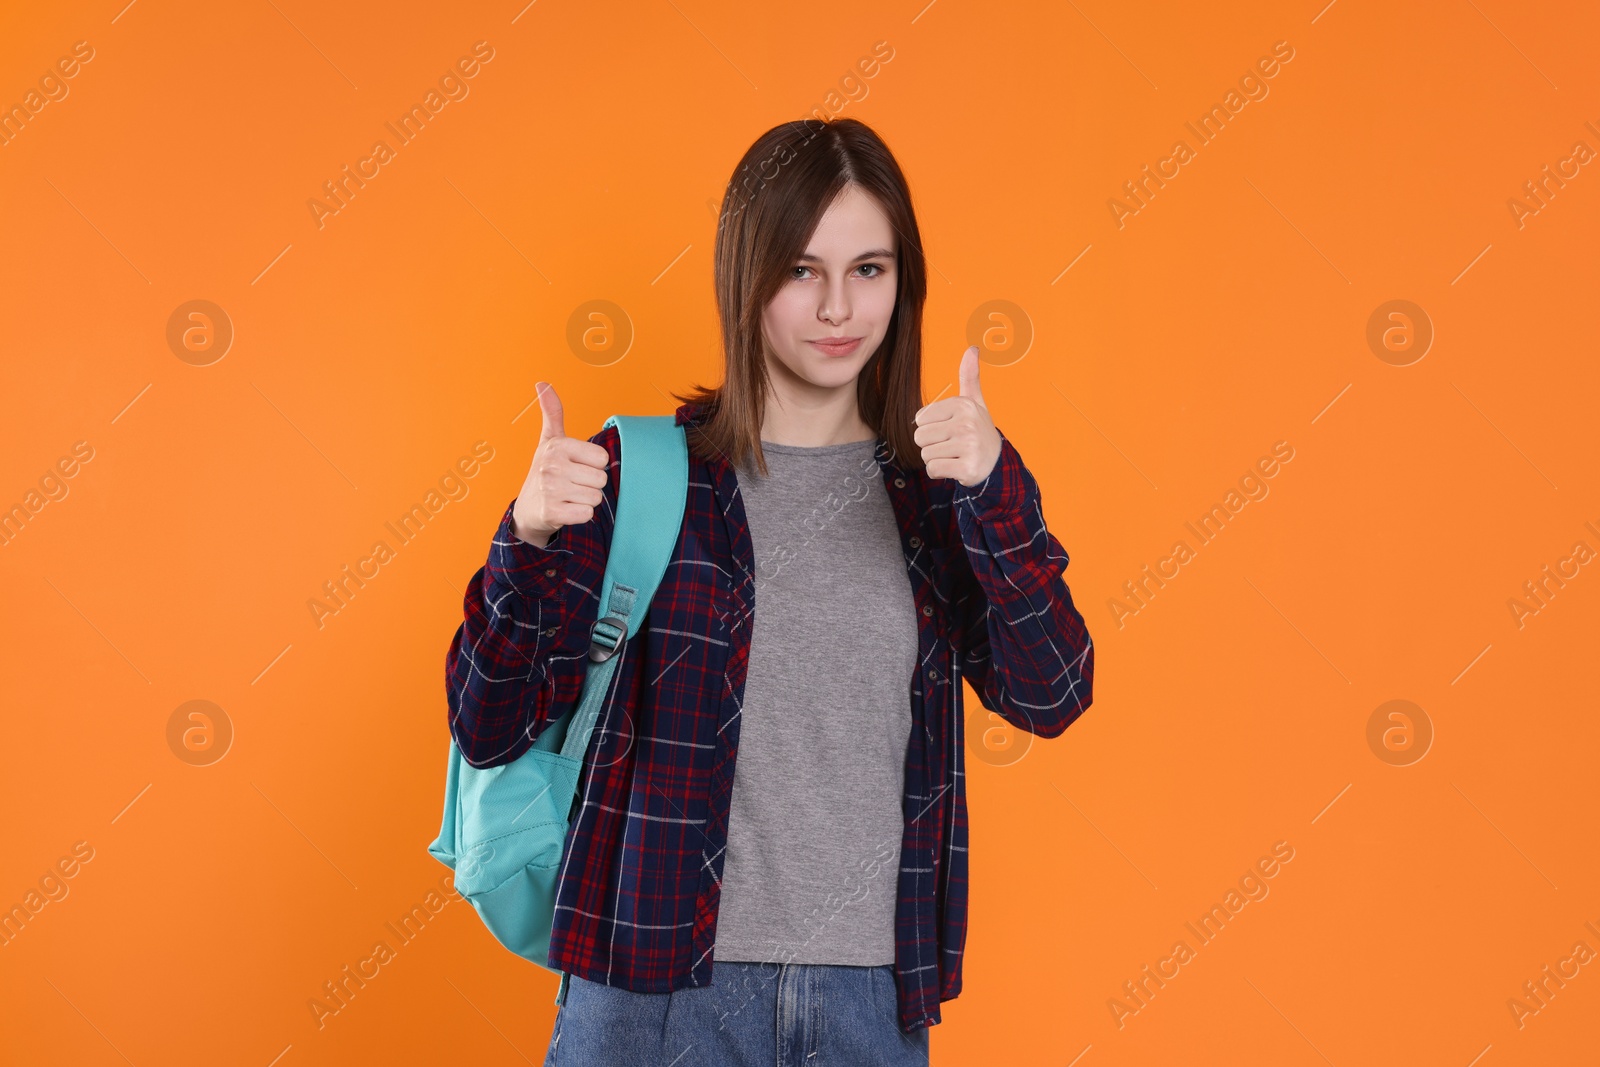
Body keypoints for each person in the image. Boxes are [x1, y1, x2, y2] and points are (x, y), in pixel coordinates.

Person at [444, 116, 1095, 1066]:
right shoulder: (645, 473)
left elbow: (1053, 692)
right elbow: (487, 723)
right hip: (652, 992)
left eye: (868, 269)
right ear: (745, 277)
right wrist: (529, 536)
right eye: (801, 270)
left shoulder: (936, 492)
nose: (838, 307)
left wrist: (997, 492)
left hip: (870, 1001)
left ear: (902, 281)